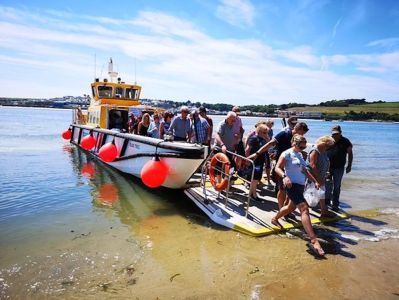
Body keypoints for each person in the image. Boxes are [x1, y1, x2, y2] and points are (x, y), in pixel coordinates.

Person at [271, 134, 325, 256]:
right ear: (294, 144)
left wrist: (315, 181)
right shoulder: (287, 154)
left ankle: (274, 219)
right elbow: (277, 168)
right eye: (301, 146)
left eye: (304, 147)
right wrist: (285, 177)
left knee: (291, 207)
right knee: (304, 209)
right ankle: (314, 240)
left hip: (300, 186)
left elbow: (305, 171)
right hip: (291, 185)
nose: (302, 148)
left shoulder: (300, 155)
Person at [249, 122, 309, 209]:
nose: (303, 135)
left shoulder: (297, 139)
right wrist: (257, 153)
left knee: (289, 190)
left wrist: (301, 152)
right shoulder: (284, 134)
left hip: (292, 167)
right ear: (297, 129)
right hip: (281, 166)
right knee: (282, 189)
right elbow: (270, 144)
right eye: (302, 133)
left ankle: (286, 209)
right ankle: (281, 209)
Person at [325, 125, 353, 210]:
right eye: (333, 134)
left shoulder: (345, 141)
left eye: (336, 134)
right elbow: (322, 150)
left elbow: (350, 153)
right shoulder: (328, 140)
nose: (334, 136)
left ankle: (335, 204)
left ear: (340, 133)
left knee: (337, 186)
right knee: (327, 185)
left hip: (339, 167)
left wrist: (349, 165)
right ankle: (326, 202)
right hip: (327, 167)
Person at [307, 136, 336, 218]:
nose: (328, 147)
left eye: (329, 146)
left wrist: (326, 172)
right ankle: (303, 211)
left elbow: (325, 161)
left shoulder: (323, 150)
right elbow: (312, 165)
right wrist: (318, 178)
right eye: (327, 145)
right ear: (323, 143)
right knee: (309, 194)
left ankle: (323, 211)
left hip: (321, 176)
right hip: (313, 176)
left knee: (321, 193)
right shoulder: (315, 150)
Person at [245, 124, 269, 200]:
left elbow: (268, 145)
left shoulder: (263, 139)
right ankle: (253, 194)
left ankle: (251, 193)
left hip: (260, 161)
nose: (266, 134)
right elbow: (247, 150)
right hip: (254, 161)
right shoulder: (254, 138)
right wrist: (247, 160)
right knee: (255, 179)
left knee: (256, 178)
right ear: (259, 131)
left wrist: (266, 137)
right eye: (264, 132)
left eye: (266, 132)